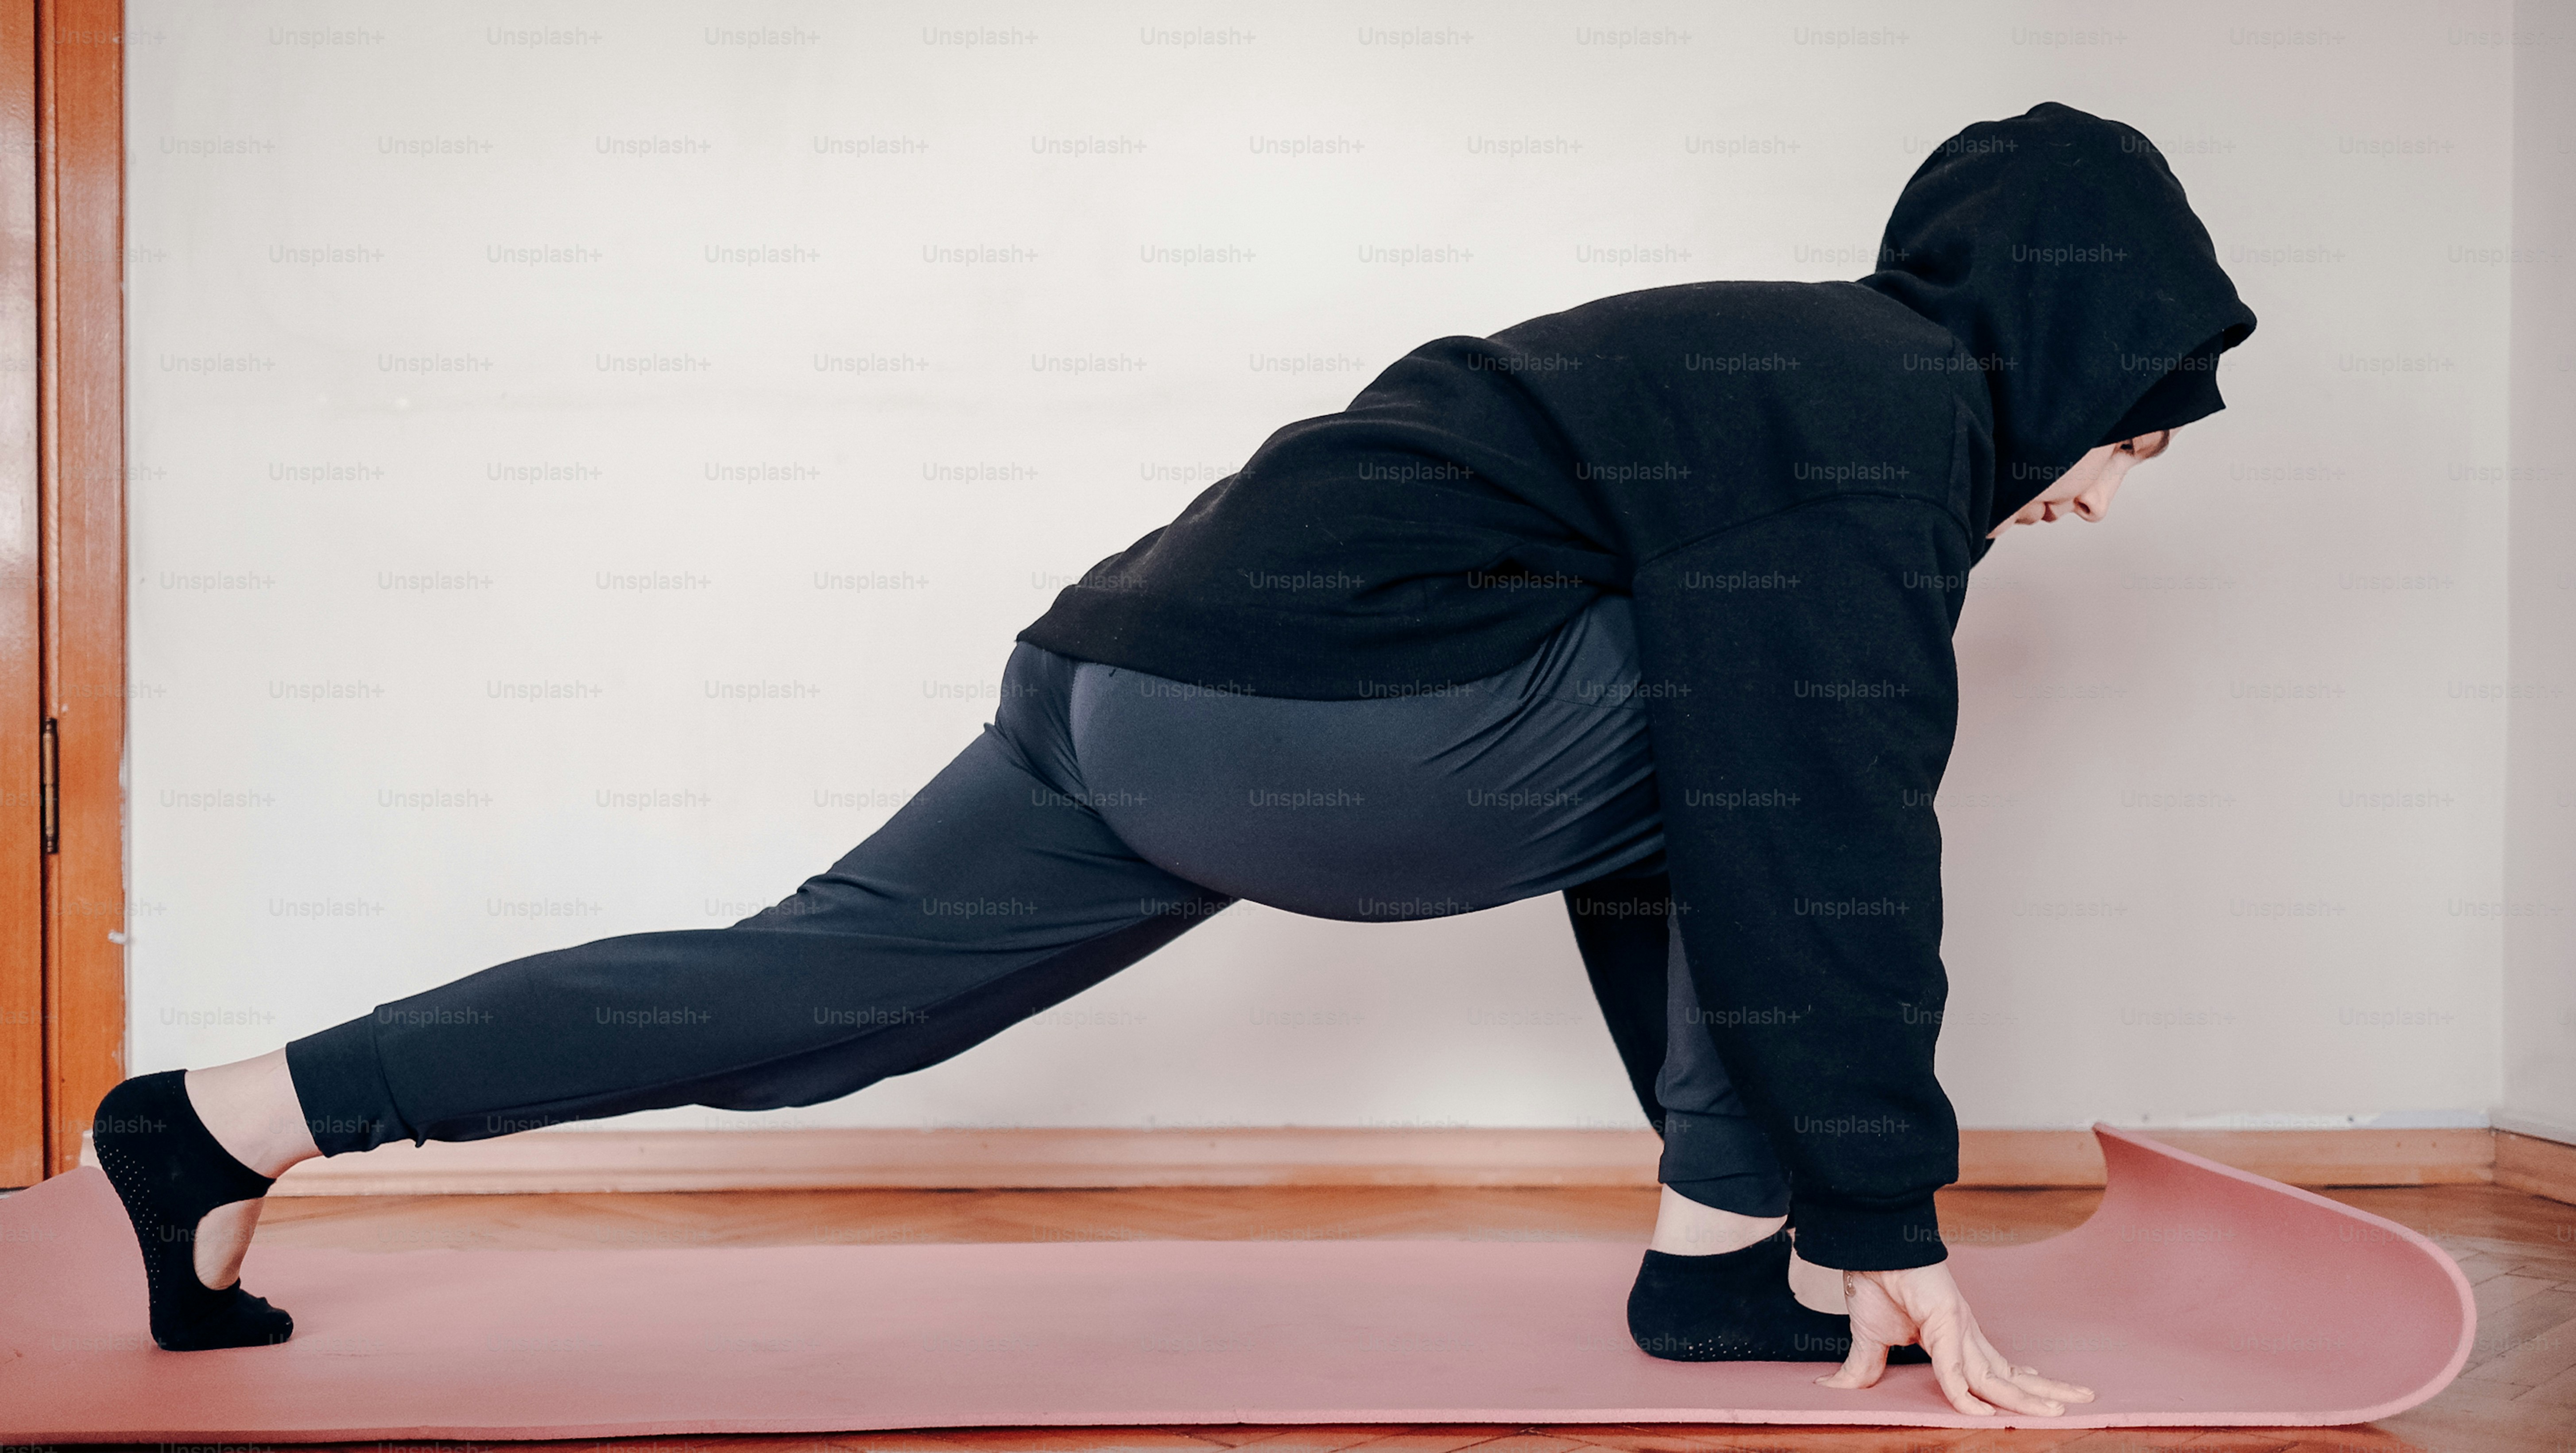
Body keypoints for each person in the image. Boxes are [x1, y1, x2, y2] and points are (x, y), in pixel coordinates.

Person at [90, 100, 2252, 1419]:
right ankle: (1729, 1260)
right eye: (2133, 430)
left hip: (1127, 669)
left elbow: (1682, 831)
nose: (2102, 488)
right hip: (1320, 724)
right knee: (1802, 765)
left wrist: (1767, 1187)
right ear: (2065, 349)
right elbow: (1818, 843)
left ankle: (226, 1120)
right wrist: (1886, 1217)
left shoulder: (1770, 357)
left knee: (808, 992)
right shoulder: (1881, 421)